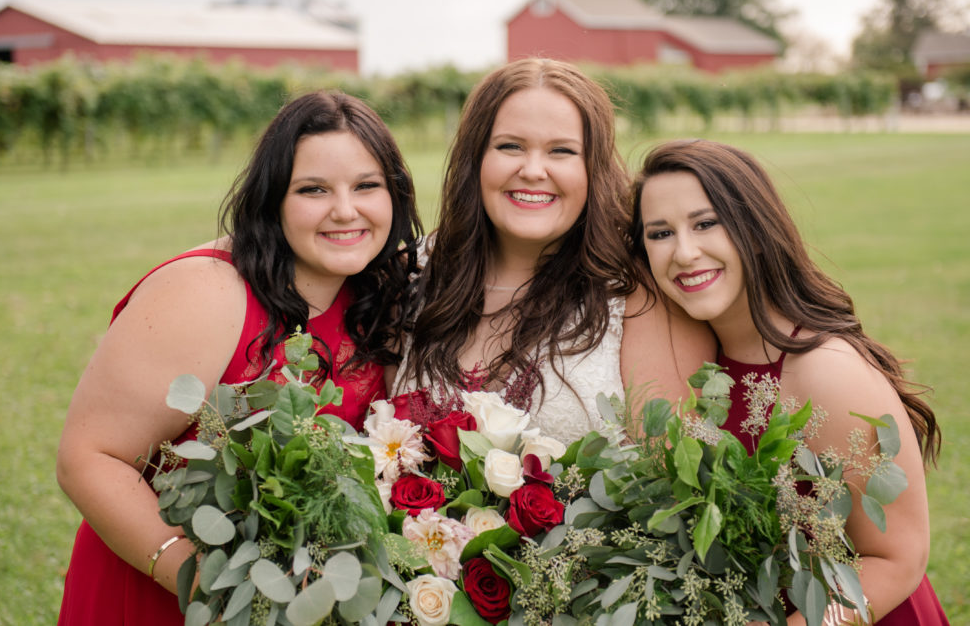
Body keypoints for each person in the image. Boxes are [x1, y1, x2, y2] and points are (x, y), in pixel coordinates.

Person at [55, 91, 422, 623]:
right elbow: (88, 459)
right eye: (313, 189)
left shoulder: (381, 293)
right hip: (163, 588)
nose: (346, 210)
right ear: (273, 199)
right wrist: (204, 581)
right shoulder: (205, 291)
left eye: (367, 186)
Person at [631, 139, 947, 624]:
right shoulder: (697, 359)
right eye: (660, 233)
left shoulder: (825, 371)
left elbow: (897, 560)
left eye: (705, 223)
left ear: (755, 231)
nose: (685, 252)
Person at [392, 58, 711, 444]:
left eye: (561, 151)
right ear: (475, 159)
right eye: (510, 146)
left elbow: (669, 477)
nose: (533, 170)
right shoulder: (416, 272)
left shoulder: (639, 292)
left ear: (594, 167)